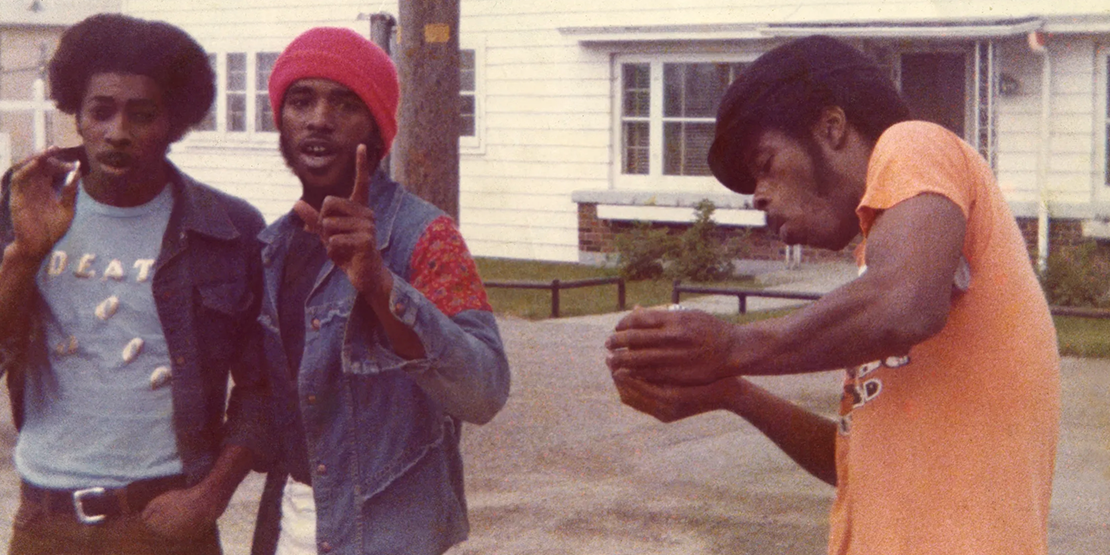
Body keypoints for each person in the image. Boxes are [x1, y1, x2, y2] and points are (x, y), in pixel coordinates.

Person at [606, 35, 1059, 555]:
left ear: (831, 127)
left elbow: (906, 304)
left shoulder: (915, 144)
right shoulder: (879, 275)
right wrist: (731, 391)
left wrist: (731, 346)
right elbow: (858, 465)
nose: (757, 197)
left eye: (764, 163)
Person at [0, 13, 270, 555]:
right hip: (46, 522)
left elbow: (264, 385)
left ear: (174, 123)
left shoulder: (227, 228)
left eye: (142, 115)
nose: (118, 132)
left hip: (166, 521)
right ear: (77, 115)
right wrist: (24, 257)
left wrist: (210, 496)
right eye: (101, 111)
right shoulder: (24, 203)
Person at [249, 27, 510, 555]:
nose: (319, 119)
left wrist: (379, 286)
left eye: (346, 104)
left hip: (388, 534)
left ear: (377, 128)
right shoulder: (272, 248)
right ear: (280, 119)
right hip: (289, 525)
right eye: (301, 101)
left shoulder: (426, 236)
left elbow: (483, 392)